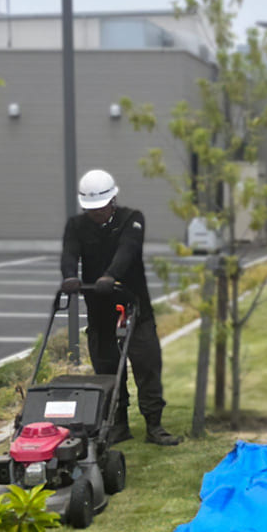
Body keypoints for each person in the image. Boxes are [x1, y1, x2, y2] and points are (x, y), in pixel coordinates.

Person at [60, 168, 181, 446]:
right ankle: (118, 424)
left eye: (100, 208)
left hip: (133, 304)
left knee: (146, 363)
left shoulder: (132, 219)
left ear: (112, 201)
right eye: (91, 210)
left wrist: (111, 276)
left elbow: (128, 249)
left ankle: (154, 425)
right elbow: (69, 252)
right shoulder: (77, 226)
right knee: (106, 368)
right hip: (99, 308)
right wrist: (69, 276)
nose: (96, 214)